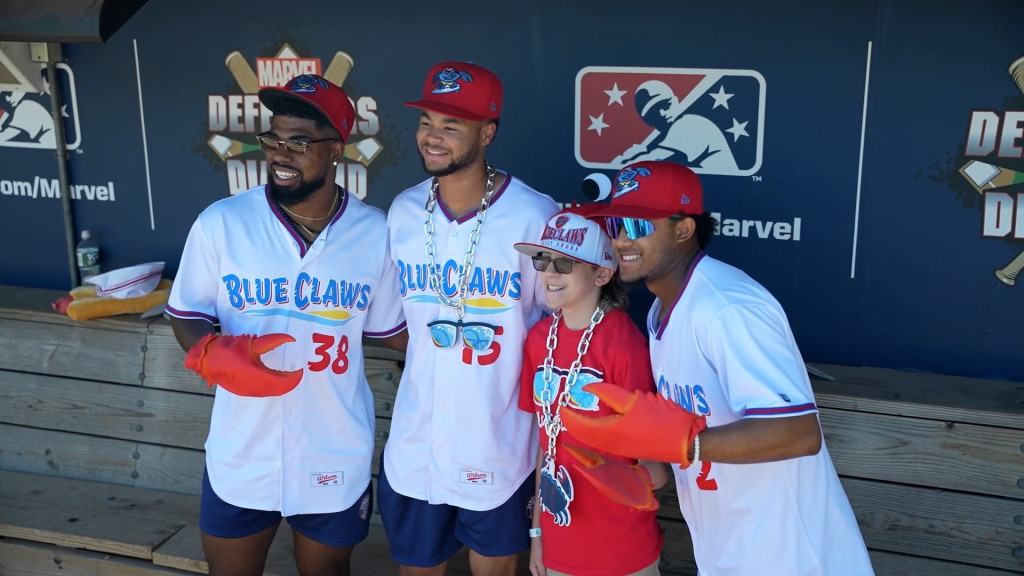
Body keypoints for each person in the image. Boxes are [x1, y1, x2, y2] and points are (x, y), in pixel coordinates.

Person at [562, 160, 874, 576]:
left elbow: (798, 433)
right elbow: (695, 434)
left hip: (792, 556)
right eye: (616, 224)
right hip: (727, 549)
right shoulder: (661, 310)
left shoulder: (727, 306)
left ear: (684, 229)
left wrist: (684, 446)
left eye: (639, 226)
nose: (621, 240)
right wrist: (646, 471)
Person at [166, 73, 407, 576]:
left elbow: (393, 333)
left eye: (299, 142)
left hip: (334, 448)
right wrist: (208, 352)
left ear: (337, 148)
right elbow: (185, 313)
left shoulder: (374, 232)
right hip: (242, 450)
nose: (280, 153)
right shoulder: (222, 222)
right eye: (273, 139)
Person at [378, 60, 559, 576]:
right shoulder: (403, 212)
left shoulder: (536, 215)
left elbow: (560, 334)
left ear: (488, 132)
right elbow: (396, 325)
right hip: (415, 446)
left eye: (451, 126)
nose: (433, 138)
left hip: (499, 444)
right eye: (427, 122)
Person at [513, 208, 668, 576]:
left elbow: (657, 468)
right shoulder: (538, 339)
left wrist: (618, 479)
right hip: (558, 541)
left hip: (620, 551)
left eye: (565, 263)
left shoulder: (625, 346)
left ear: (602, 272)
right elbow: (546, 444)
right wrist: (538, 534)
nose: (549, 273)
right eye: (543, 260)